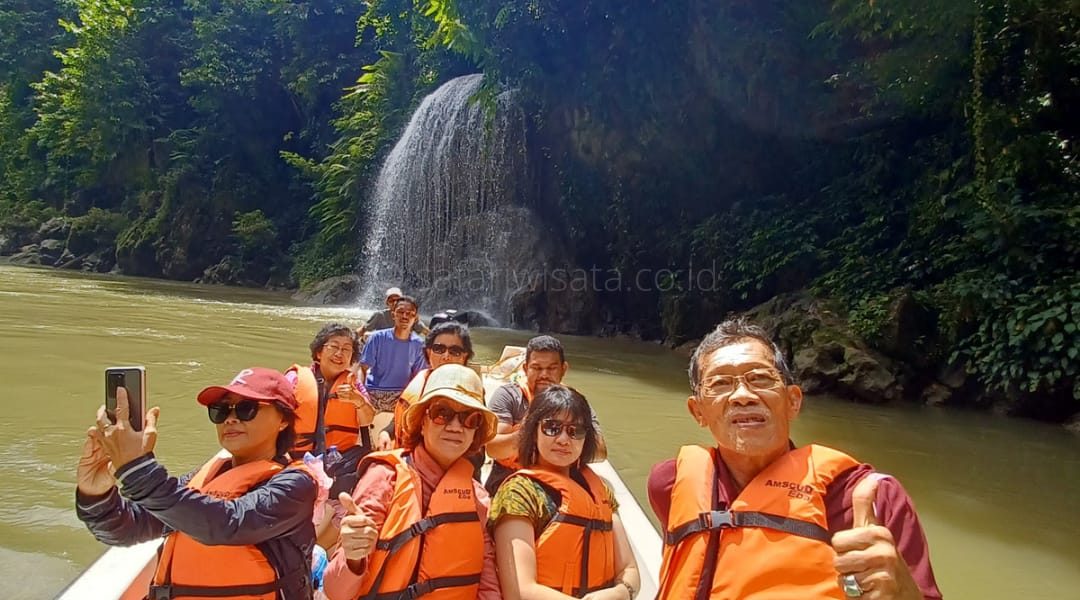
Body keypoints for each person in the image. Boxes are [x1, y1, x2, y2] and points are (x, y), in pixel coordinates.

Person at [648, 318, 943, 599]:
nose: (742, 396)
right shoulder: (669, 484)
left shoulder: (872, 497)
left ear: (792, 401)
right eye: (720, 384)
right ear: (698, 411)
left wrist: (902, 593)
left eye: (760, 378)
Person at [76, 367, 318, 600]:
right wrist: (96, 494)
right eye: (220, 411)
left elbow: (227, 524)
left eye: (246, 409)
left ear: (283, 420)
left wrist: (136, 469)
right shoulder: (200, 479)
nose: (230, 419)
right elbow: (126, 530)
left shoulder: (295, 486)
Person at [321, 364, 502, 600]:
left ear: (476, 431)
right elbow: (336, 591)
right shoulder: (384, 478)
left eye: (470, 419)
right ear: (422, 422)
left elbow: (488, 586)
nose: (456, 426)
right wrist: (353, 557)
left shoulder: (477, 498)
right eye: (442, 413)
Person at [492, 385, 640, 599]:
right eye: (552, 428)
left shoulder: (600, 491)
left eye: (575, 431)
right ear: (533, 432)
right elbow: (520, 591)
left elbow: (630, 570)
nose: (563, 439)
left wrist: (621, 592)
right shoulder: (519, 494)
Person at [485, 335, 607, 495]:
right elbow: (493, 449)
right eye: (536, 368)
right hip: (512, 475)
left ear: (563, 369)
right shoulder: (509, 396)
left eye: (551, 368)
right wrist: (532, 431)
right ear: (525, 369)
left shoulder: (574, 401)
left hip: (562, 475)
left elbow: (600, 451)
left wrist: (562, 442)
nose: (544, 374)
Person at [377, 320, 476, 450]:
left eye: (455, 351)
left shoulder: (471, 393)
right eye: (439, 349)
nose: (446, 356)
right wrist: (385, 433)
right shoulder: (421, 381)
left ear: (464, 356)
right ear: (429, 353)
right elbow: (400, 419)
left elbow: (477, 451)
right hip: (404, 456)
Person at [358, 296, 429, 414]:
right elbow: (363, 368)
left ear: (415, 318)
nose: (405, 316)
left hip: (402, 395)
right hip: (374, 392)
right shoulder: (376, 338)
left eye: (409, 313)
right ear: (393, 315)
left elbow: (419, 376)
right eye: (400, 312)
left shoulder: (419, 344)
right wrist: (362, 394)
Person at [358, 287, 428, 338]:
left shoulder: (409, 316)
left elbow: (426, 332)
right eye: (391, 300)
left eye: (397, 300)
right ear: (387, 303)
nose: (394, 303)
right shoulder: (379, 315)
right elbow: (363, 330)